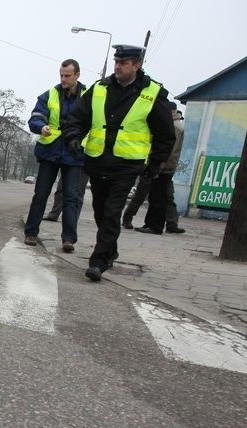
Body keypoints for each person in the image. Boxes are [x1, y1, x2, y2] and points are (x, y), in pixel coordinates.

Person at [63, 44, 175, 282]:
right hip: (97, 160)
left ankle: (98, 261)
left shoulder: (152, 93)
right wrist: (73, 137)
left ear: (136, 66)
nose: (117, 66)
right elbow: (78, 118)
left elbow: (165, 135)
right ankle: (110, 250)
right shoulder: (100, 88)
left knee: (113, 212)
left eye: (123, 63)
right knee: (100, 211)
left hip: (127, 164)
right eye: (116, 62)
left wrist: (154, 165)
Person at [24, 59, 86, 253]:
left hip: (74, 153)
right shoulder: (50, 94)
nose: (63, 79)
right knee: (41, 194)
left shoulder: (88, 96)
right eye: (61, 75)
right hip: (50, 151)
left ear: (77, 75)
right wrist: (41, 127)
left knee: (71, 198)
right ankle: (31, 233)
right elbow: (36, 115)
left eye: (67, 75)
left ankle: (68, 239)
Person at [123, 103, 186, 234]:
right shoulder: (170, 124)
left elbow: (168, 150)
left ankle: (157, 224)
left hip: (159, 167)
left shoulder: (173, 126)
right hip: (159, 166)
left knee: (155, 196)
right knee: (162, 197)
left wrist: (158, 166)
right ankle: (166, 224)